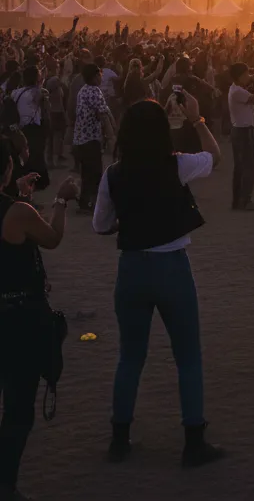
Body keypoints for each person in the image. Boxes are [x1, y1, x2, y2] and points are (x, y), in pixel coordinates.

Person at [92, 94, 225, 468]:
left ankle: (120, 437)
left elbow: (100, 225)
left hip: (131, 267)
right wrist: (198, 120)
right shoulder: (176, 166)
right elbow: (216, 157)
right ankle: (193, 440)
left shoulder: (113, 174)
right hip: (172, 266)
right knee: (187, 357)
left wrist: (128, 221)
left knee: (130, 357)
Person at [0, 149, 78, 500]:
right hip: (17, 319)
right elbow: (52, 238)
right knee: (17, 410)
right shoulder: (17, 213)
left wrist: (18, 195)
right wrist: (60, 200)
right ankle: (5, 484)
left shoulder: (16, 209)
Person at [72, 63, 115, 213]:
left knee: (87, 172)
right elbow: (103, 116)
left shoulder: (83, 91)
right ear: (96, 75)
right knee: (94, 173)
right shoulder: (94, 92)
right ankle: (94, 204)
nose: (101, 77)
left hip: (81, 139)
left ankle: (85, 202)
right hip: (90, 139)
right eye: (100, 74)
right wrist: (112, 139)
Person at [227, 62, 254, 212]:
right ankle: (245, 200)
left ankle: (239, 200)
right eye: (245, 74)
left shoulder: (235, 89)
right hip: (244, 131)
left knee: (241, 167)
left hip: (240, 131)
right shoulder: (238, 92)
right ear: (239, 76)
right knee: (250, 166)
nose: (248, 77)